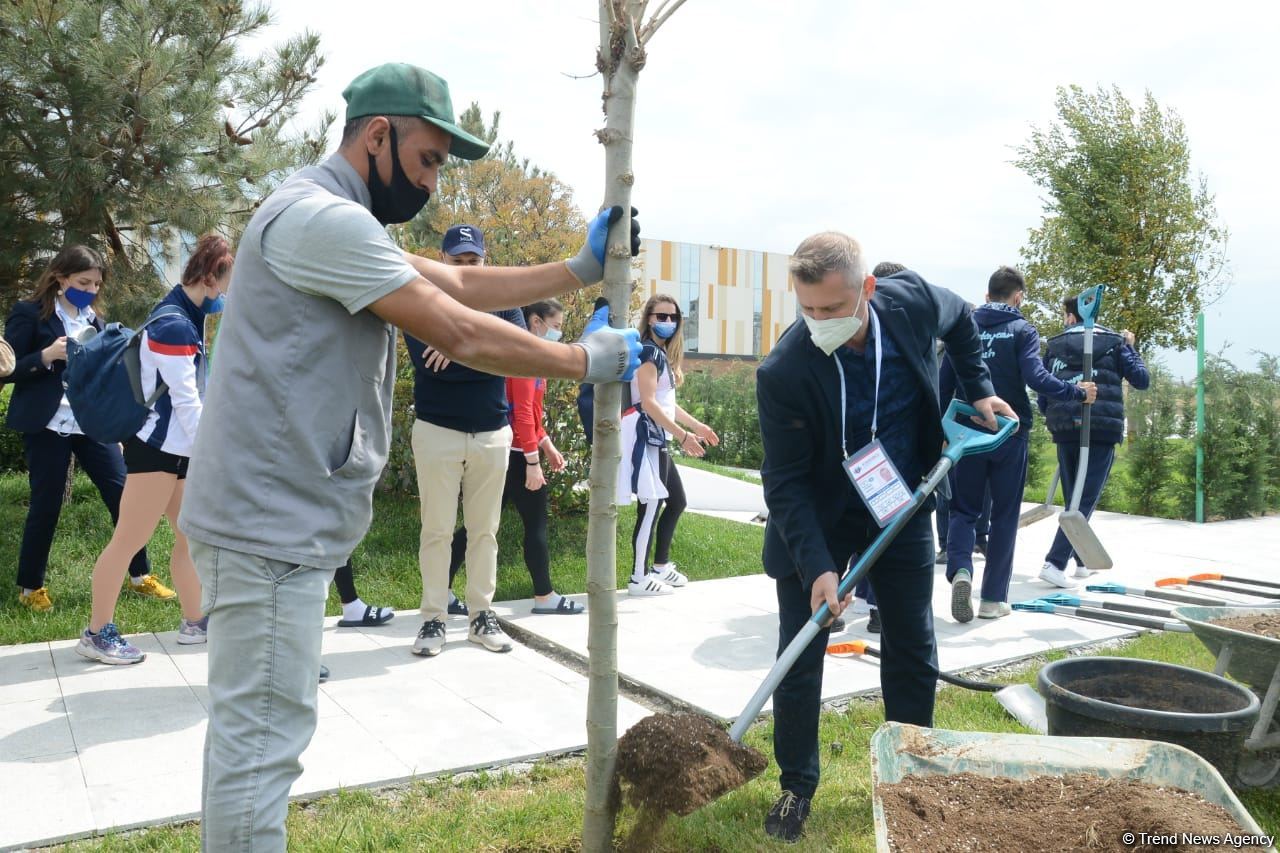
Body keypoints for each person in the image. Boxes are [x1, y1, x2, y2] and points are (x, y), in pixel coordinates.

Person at [175, 62, 641, 851]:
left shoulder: (332, 215)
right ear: (377, 134)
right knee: (259, 752)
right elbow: (451, 327)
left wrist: (577, 271)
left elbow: (451, 283)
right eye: (426, 160)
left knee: (258, 743)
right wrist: (578, 359)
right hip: (266, 530)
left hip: (273, 524)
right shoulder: (320, 218)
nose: (431, 184)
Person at [756, 232, 1014, 842]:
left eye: (830, 309)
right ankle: (797, 786)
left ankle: (912, 772)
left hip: (901, 501)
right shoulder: (785, 370)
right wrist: (818, 567)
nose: (817, 322)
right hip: (819, 515)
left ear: (867, 291)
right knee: (801, 649)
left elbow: (963, 324)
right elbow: (785, 484)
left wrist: (977, 388)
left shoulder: (913, 302)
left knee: (912, 643)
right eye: (807, 309)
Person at [75, 235, 233, 664]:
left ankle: (195, 620)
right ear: (208, 278)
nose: (227, 295)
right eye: (226, 284)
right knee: (128, 541)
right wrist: (213, 456)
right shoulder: (174, 324)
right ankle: (96, 633)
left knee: (189, 536)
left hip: (176, 452)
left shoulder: (185, 315)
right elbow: (186, 402)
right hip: (157, 452)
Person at [4, 246, 168, 613]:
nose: (91, 289)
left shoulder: (95, 321)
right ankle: (31, 587)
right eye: (83, 282)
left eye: (96, 284)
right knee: (45, 505)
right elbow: (8, 367)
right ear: (60, 278)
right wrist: (45, 357)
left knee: (124, 497)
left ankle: (140, 576)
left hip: (91, 426)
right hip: (46, 425)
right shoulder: (29, 314)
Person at [939, 266, 1095, 622]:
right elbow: (1036, 378)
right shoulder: (1022, 330)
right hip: (1009, 431)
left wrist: (940, 430)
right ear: (1018, 296)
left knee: (964, 510)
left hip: (966, 431)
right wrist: (1075, 392)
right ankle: (993, 599)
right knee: (1005, 515)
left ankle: (961, 569)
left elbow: (943, 382)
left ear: (987, 293)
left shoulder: (965, 329)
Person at [406, 223, 530, 657]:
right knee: (436, 531)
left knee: (485, 532)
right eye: (457, 261)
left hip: (492, 434)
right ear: (443, 261)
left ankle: (481, 615)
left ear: (484, 260)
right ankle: (433, 619)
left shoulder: (506, 304)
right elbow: (428, 365)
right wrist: (484, 349)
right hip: (438, 431)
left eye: (472, 261)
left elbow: (515, 355)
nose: (465, 268)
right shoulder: (421, 302)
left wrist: (458, 348)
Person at [450, 299, 583, 615]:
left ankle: (440, 590)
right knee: (532, 525)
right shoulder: (524, 358)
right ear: (535, 322)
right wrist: (533, 463)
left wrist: (547, 444)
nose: (559, 333)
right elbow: (521, 414)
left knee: (477, 525)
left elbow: (533, 415)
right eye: (556, 326)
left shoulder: (534, 359)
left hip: (514, 451)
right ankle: (544, 596)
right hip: (516, 455)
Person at [1038, 293, 1149, 587]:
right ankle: (1054, 561)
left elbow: (1042, 393)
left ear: (1071, 317)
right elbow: (1141, 379)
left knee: (1074, 495)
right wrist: (1130, 347)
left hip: (1063, 427)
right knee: (1085, 498)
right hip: (1100, 427)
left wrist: (1056, 414)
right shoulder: (1114, 343)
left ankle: (1080, 559)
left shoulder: (1056, 345)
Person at [617, 294, 719, 596]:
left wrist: (696, 427)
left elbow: (666, 404)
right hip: (647, 436)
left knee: (676, 501)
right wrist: (682, 436)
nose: (668, 323)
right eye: (661, 317)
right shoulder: (649, 352)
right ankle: (638, 578)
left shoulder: (659, 354)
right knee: (650, 506)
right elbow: (648, 403)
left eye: (673, 317)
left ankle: (659, 566)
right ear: (649, 318)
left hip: (656, 435)